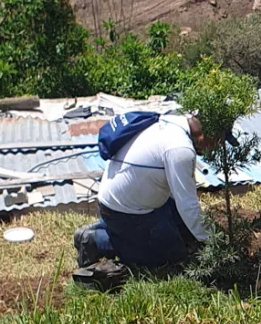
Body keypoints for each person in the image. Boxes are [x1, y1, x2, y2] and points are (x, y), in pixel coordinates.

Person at [73, 114, 212, 269]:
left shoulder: (169, 122)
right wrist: (211, 241)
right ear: (206, 134)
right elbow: (187, 204)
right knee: (170, 257)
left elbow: (179, 196)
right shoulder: (179, 149)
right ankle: (96, 240)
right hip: (125, 211)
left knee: (181, 234)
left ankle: (108, 227)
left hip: (125, 199)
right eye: (219, 141)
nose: (217, 147)